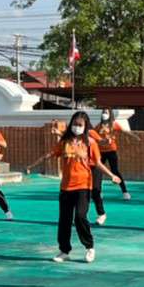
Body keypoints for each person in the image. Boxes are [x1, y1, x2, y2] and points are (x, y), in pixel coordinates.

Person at [26, 110, 121, 262]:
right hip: (66, 187)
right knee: (64, 219)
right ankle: (64, 251)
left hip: (83, 185)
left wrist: (112, 175)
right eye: (75, 124)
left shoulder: (90, 142)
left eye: (80, 125)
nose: (77, 127)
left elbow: (97, 163)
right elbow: (51, 154)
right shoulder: (65, 142)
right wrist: (33, 165)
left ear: (85, 126)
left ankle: (89, 247)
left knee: (80, 217)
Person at [90, 108, 131, 219]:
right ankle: (99, 192)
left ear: (110, 114)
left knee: (115, 171)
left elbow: (124, 132)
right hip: (101, 152)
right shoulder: (99, 126)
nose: (104, 114)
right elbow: (92, 134)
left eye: (106, 112)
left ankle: (125, 192)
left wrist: (132, 136)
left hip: (112, 151)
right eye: (103, 112)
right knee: (98, 171)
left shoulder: (114, 124)